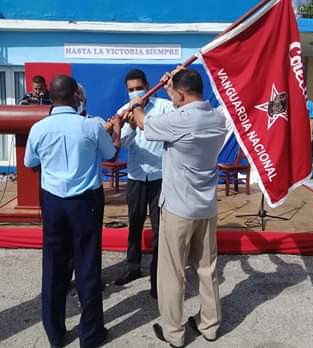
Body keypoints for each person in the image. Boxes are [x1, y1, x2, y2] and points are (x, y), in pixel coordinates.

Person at [128, 69, 226, 348]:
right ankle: (210, 325)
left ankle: (173, 331)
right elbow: (180, 104)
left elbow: (143, 123)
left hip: (178, 209)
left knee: (172, 273)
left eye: (175, 93)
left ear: (181, 94)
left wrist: (137, 105)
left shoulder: (178, 120)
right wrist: (172, 88)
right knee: (207, 269)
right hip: (206, 208)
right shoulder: (216, 117)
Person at [24, 75, 120, 348]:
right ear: (76, 97)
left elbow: (31, 162)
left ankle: (55, 334)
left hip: (53, 201)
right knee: (87, 265)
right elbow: (110, 154)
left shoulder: (39, 128)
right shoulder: (90, 126)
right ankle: (90, 336)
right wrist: (116, 131)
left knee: (53, 265)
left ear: (51, 97)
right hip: (85, 202)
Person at [113, 69, 173, 299]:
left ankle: (157, 278)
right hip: (136, 177)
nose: (135, 92)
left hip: (160, 176)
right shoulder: (123, 111)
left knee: (159, 229)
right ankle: (133, 267)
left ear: (148, 86)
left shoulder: (164, 107)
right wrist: (128, 125)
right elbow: (124, 144)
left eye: (139, 87)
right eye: (131, 89)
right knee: (134, 224)